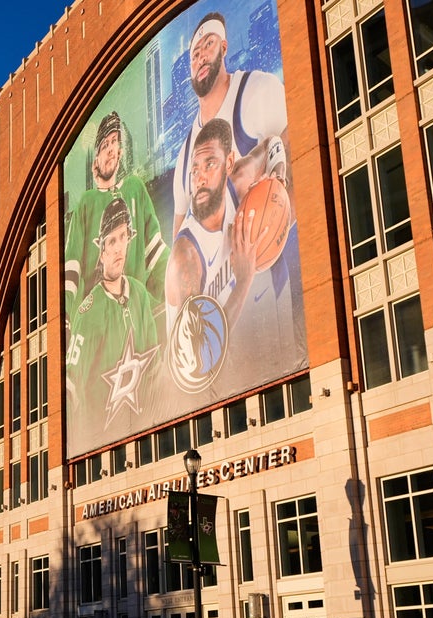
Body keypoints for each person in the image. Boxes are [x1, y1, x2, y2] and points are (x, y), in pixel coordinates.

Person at [165, 119, 297, 394]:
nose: (199, 177)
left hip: (258, 339)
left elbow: (273, 142)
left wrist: (279, 175)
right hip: (202, 382)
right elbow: (199, 357)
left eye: (210, 164)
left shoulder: (238, 182)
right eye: (195, 170)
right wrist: (244, 278)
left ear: (228, 163)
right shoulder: (185, 258)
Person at [171, 12, 291, 237]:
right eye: (195, 54)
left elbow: (296, 164)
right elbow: (180, 244)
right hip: (224, 270)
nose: (202, 57)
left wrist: (263, 236)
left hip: (266, 261)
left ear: (224, 47)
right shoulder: (184, 158)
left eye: (209, 44)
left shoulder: (258, 90)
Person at [65, 198, 162, 433]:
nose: (118, 247)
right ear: (102, 252)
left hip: (144, 427)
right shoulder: (87, 312)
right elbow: (71, 385)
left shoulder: (139, 292)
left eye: (123, 237)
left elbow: (154, 364)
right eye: (111, 241)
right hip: (100, 438)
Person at [65, 112, 169, 317]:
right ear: (96, 159)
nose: (111, 149)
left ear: (120, 151)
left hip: (136, 314)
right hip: (100, 318)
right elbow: (72, 265)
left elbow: (156, 251)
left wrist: (179, 281)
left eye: (114, 142)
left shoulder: (135, 188)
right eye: (104, 145)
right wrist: (68, 317)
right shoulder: (87, 202)